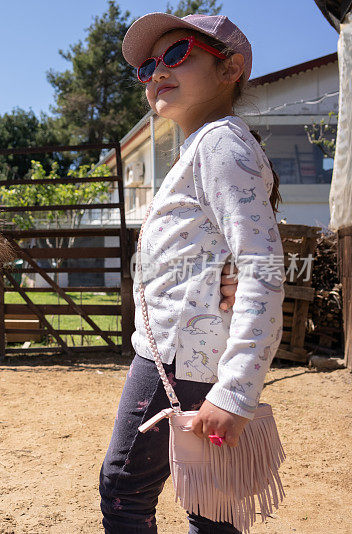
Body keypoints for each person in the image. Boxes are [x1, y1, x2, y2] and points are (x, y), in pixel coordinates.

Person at [99, 13, 284, 534]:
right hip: (189, 352)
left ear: (231, 69)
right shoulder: (204, 147)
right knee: (209, 499)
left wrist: (236, 392)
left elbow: (262, 266)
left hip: (181, 359)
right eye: (148, 66)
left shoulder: (221, 144)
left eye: (177, 55)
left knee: (124, 491)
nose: (157, 71)